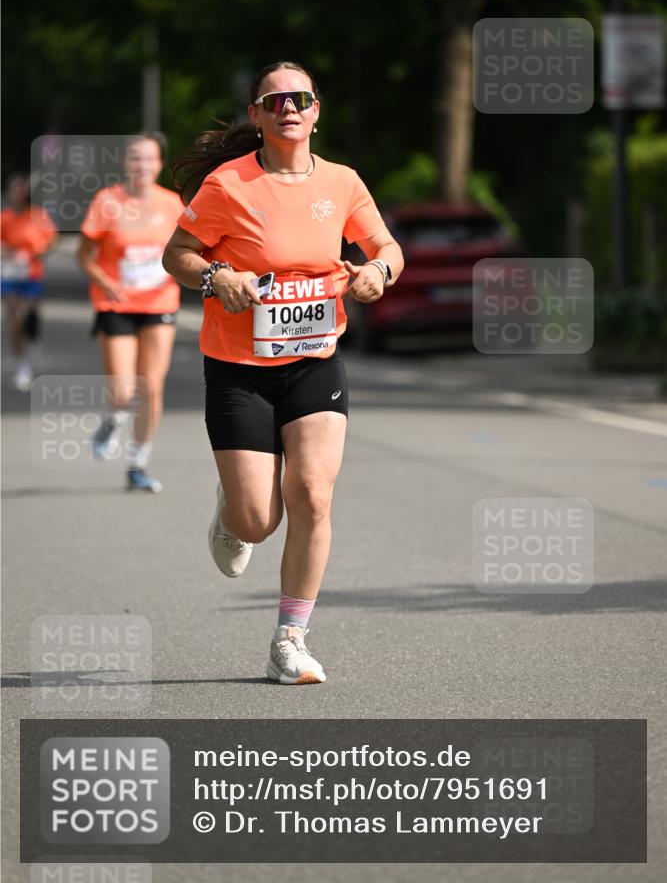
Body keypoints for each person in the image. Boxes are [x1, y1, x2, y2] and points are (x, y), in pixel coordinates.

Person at [163, 61, 404, 684]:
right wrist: (219, 277)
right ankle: (232, 510)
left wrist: (378, 273)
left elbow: (385, 248)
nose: (288, 109)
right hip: (238, 367)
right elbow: (178, 255)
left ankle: (289, 639)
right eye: (275, 102)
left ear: (316, 110)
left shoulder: (344, 182)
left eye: (300, 99)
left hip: (315, 360)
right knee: (257, 521)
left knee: (313, 495)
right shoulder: (227, 185)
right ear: (258, 115)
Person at [77, 133, 182, 492]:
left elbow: (187, 252)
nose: (142, 166)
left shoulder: (173, 205)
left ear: (159, 164)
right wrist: (103, 280)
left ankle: (138, 464)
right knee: (123, 391)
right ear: (125, 163)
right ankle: (113, 417)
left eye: (149, 159)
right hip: (116, 303)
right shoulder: (107, 202)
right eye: (135, 159)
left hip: (159, 303)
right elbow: (83, 255)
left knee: (151, 387)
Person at [1, 173, 58, 391]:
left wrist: (37, 251)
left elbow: (52, 240)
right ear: (9, 193)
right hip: (10, 274)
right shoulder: (4, 218)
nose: (18, 193)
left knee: (30, 317)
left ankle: (33, 345)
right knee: (14, 318)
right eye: (15, 189)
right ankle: (22, 364)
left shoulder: (38, 216)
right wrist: (8, 252)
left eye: (22, 189)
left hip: (32, 274)